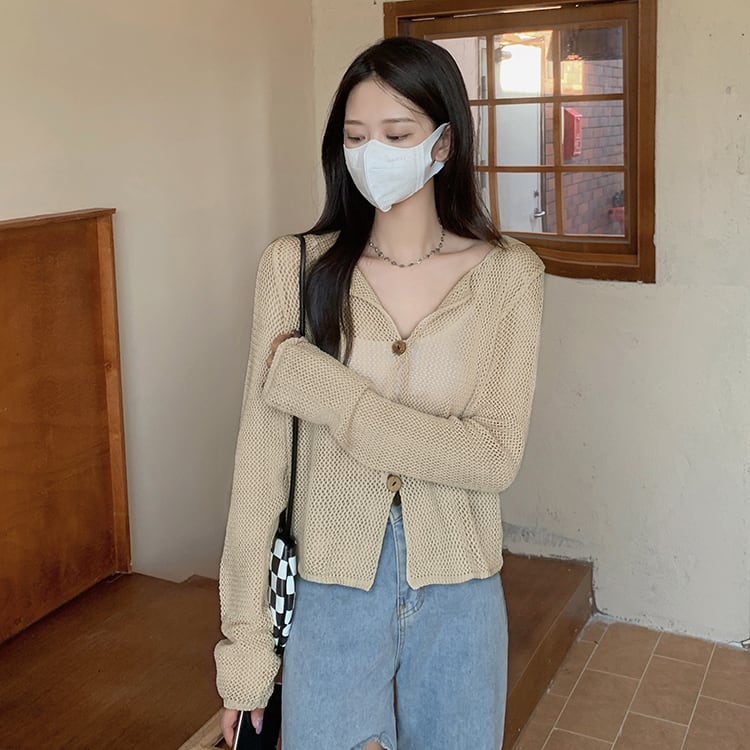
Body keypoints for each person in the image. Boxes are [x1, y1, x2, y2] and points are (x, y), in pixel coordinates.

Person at [215, 36, 544, 750]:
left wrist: (339, 400)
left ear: (443, 143)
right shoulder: (294, 269)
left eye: (396, 135)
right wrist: (244, 653)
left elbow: (493, 458)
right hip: (329, 594)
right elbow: (258, 474)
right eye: (356, 136)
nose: (372, 154)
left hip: (461, 597)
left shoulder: (510, 276)